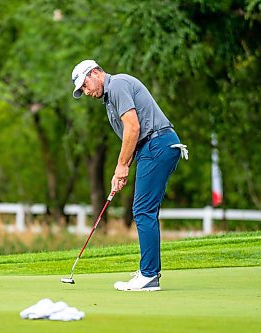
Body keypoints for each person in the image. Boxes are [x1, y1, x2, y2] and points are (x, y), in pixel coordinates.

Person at [71, 59, 188, 291]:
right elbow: (131, 137)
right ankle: (148, 272)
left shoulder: (117, 85)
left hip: (157, 144)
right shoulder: (110, 99)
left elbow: (133, 128)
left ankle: (149, 275)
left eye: (85, 85)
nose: (86, 92)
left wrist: (121, 166)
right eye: (82, 90)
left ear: (95, 73)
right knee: (145, 210)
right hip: (153, 147)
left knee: (143, 210)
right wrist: (121, 172)